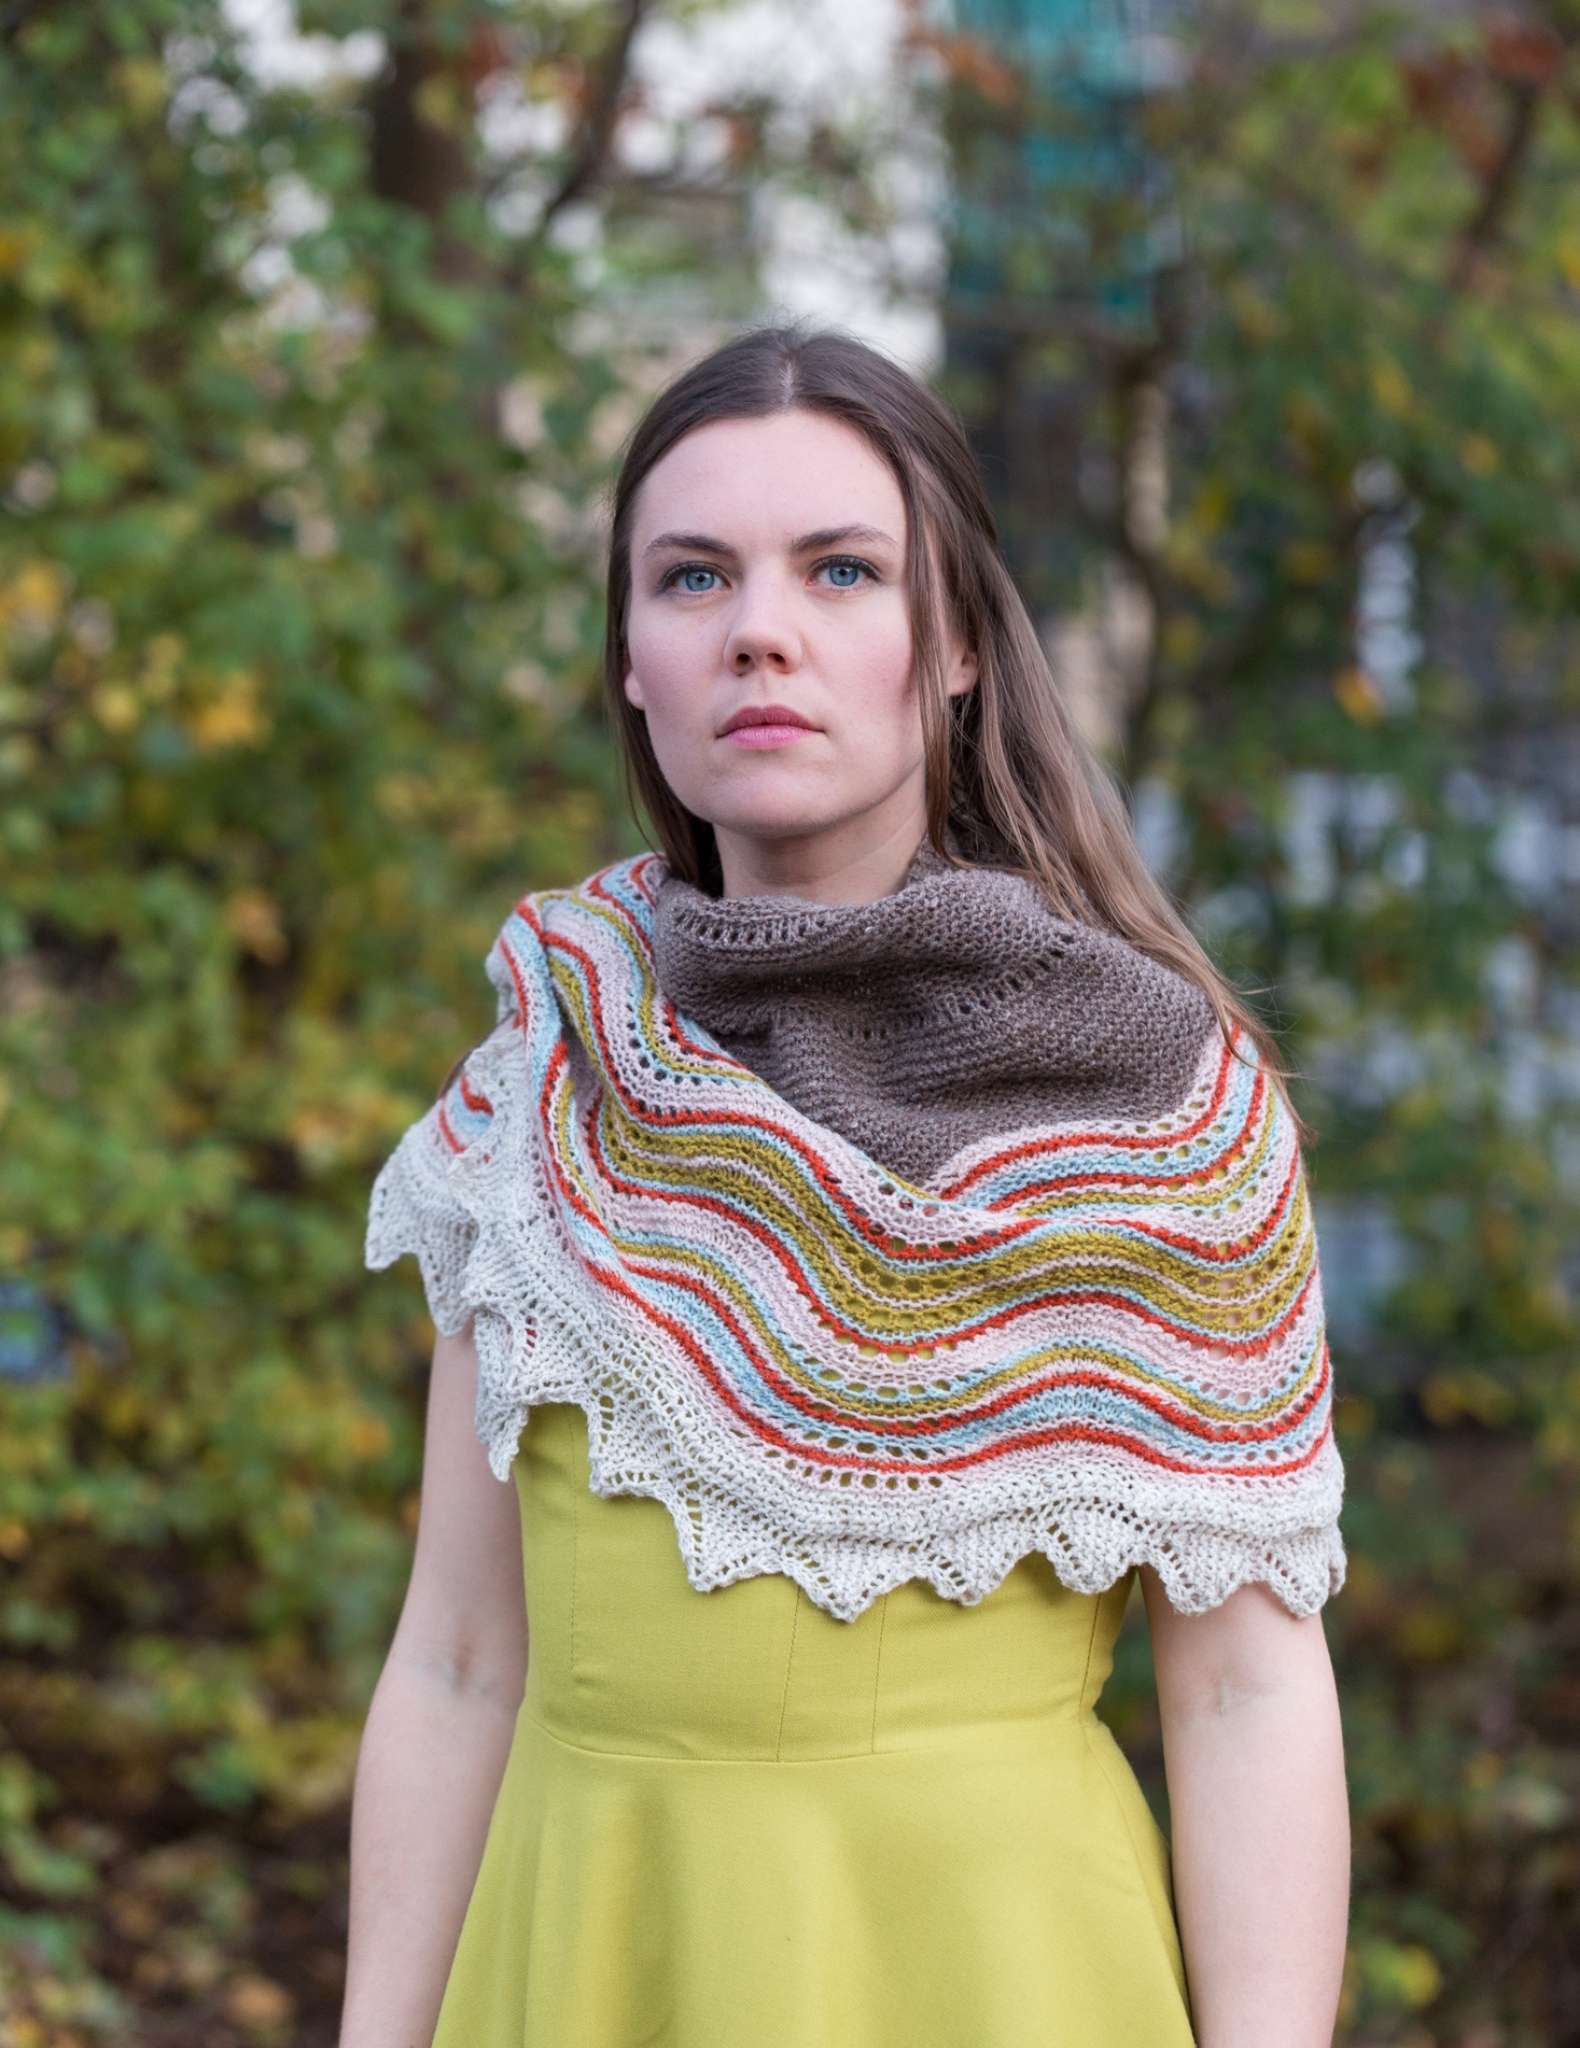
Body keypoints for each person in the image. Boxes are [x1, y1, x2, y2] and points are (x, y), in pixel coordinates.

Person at [339, 319, 1352, 2048]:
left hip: (1003, 1971)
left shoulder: (1163, 1113)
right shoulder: (549, 1079)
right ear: (633, 662)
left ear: (952, 642)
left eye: (839, 569)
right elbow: (455, 1658)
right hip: (593, 1955)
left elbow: (1251, 1692)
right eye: (691, 577)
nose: (760, 630)